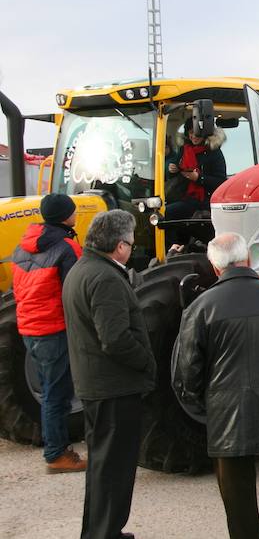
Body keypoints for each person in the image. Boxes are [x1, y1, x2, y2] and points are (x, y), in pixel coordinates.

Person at [172, 232, 259, 539]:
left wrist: (206, 409)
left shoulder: (201, 307)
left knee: (239, 508)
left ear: (214, 266)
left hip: (225, 418)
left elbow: (187, 371)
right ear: (247, 258)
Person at [62, 209, 156, 539]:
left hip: (97, 385)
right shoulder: (104, 278)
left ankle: (100, 531)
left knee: (103, 467)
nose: (131, 248)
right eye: (130, 243)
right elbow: (115, 339)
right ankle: (106, 533)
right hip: (113, 389)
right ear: (119, 246)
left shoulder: (83, 270)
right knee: (114, 469)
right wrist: (146, 361)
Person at [11, 193, 86, 473]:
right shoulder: (67, 248)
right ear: (65, 216)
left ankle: (55, 446)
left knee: (48, 390)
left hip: (29, 327)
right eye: (73, 210)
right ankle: (57, 454)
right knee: (58, 394)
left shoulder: (23, 246)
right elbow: (76, 291)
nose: (76, 214)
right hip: (54, 329)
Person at [164, 120, 227, 246]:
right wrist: (172, 169)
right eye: (190, 133)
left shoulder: (215, 153)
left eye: (196, 134)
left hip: (203, 201)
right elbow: (174, 170)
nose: (193, 136)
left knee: (167, 213)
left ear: (205, 134)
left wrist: (199, 178)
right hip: (183, 197)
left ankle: (173, 248)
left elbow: (220, 182)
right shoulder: (184, 149)